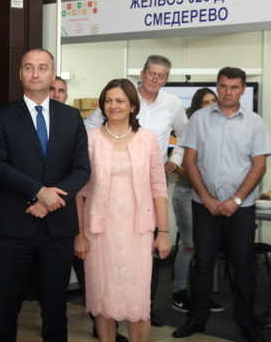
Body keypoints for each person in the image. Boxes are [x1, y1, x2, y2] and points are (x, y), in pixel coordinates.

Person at [0, 48, 91, 341]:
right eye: (29, 67)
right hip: (14, 226)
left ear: (52, 74)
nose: (36, 74)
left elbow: (82, 168)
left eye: (42, 68)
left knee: (56, 306)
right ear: (20, 74)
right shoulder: (3, 116)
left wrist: (51, 201)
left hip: (58, 227)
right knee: (7, 304)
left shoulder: (71, 117)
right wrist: (38, 192)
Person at [84, 55, 188, 327]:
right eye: (151, 73)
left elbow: (184, 137)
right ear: (143, 74)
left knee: (140, 286)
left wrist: (175, 159)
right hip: (102, 218)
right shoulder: (97, 132)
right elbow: (81, 184)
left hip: (141, 210)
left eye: (161, 75)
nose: (155, 79)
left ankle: (142, 315)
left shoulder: (167, 113)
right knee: (104, 286)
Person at [172, 67, 271, 342]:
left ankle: (247, 323)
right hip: (204, 204)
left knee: (243, 264)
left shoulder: (254, 122)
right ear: (218, 87)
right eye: (223, 86)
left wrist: (236, 200)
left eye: (234, 87)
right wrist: (206, 197)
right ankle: (197, 319)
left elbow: (259, 165)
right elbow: (189, 160)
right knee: (203, 262)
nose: (228, 92)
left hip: (241, 206)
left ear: (243, 90)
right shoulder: (199, 118)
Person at [75, 78, 171, 342]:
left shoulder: (147, 139)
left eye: (119, 101)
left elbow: (159, 188)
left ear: (132, 106)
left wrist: (163, 233)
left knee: (138, 304)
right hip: (99, 234)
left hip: (138, 234)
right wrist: (79, 234)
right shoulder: (89, 140)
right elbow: (79, 192)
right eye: (108, 101)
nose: (113, 106)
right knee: (102, 301)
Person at [50, 79, 129, 342]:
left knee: (91, 279)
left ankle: (102, 326)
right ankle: (53, 325)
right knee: (52, 283)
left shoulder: (75, 124)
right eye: (52, 89)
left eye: (62, 91)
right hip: (43, 211)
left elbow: (81, 175)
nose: (57, 94)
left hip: (75, 212)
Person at [170, 88, 225, 313]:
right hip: (186, 193)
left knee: (207, 247)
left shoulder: (219, 128)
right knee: (190, 245)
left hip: (209, 197)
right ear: (196, 106)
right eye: (205, 102)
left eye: (213, 101)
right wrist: (199, 176)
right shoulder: (189, 128)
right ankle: (179, 293)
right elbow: (175, 165)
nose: (210, 105)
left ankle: (202, 295)